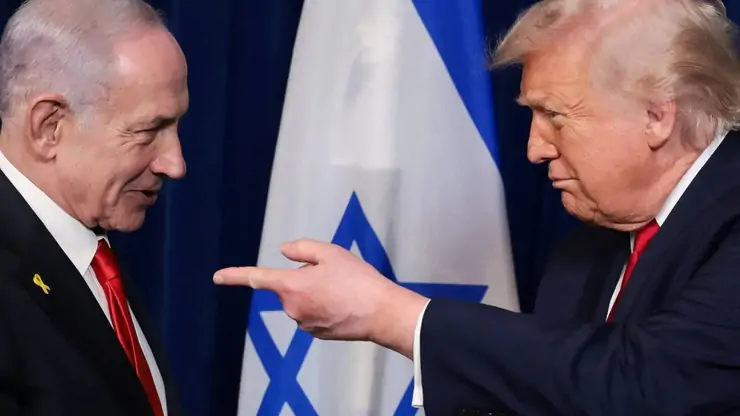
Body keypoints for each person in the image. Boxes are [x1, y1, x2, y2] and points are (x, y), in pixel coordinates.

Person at [214, 0, 740, 414]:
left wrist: (390, 314)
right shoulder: (586, 250)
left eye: (555, 116)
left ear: (656, 116)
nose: (535, 148)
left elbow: (648, 385)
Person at [0, 0, 188, 415]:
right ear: (49, 127)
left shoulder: (92, 252)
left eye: (176, 127)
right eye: (148, 131)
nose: (175, 164)